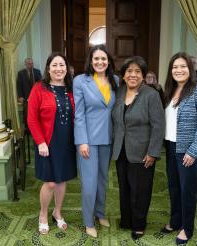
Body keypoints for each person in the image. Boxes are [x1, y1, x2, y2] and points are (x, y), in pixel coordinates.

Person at [161, 52, 197, 245]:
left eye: (183, 66)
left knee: (187, 191)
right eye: (175, 67)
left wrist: (193, 150)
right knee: (174, 187)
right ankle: (175, 221)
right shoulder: (169, 90)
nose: (179, 70)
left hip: (188, 149)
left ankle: (187, 228)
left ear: (190, 69)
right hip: (171, 146)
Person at [111, 56, 165, 240]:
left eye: (137, 72)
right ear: (123, 75)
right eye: (129, 71)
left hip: (143, 152)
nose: (133, 75)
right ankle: (127, 220)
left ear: (143, 76)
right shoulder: (119, 92)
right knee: (124, 187)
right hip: (121, 150)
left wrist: (153, 152)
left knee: (140, 190)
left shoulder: (151, 94)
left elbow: (159, 125)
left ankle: (139, 224)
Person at [27, 53, 77, 235]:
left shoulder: (72, 88)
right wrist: (40, 142)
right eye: (54, 65)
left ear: (66, 68)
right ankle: (43, 214)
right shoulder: (39, 88)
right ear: (48, 68)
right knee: (50, 183)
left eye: (61, 65)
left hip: (67, 142)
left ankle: (57, 211)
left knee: (62, 180)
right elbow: (32, 119)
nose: (58, 69)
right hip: (47, 143)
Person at [73, 44, 118, 238]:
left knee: (102, 180)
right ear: (91, 61)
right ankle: (88, 221)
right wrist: (82, 141)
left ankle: (100, 213)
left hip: (108, 139)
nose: (100, 62)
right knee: (89, 183)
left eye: (104, 59)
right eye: (96, 59)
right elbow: (79, 114)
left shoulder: (116, 80)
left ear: (109, 61)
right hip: (88, 141)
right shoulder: (81, 81)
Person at [17, 58, 42, 130]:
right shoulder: (21, 73)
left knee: (37, 112)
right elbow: (19, 85)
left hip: (36, 96)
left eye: (31, 64)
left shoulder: (37, 72)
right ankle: (27, 128)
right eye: (28, 64)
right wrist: (20, 96)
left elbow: (40, 84)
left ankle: (37, 127)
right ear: (25, 64)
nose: (30, 65)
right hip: (25, 96)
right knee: (27, 113)